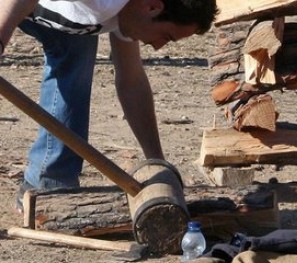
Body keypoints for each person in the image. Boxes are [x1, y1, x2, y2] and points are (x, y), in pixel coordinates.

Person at [0, 0, 219, 212]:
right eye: (166, 36)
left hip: (46, 12)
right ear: (152, 7)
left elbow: (131, 82)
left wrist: (156, 162)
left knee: (78, 45)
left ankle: (49, 183)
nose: (158, 46)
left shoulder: (131, 13)